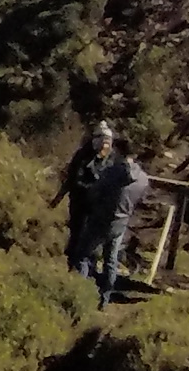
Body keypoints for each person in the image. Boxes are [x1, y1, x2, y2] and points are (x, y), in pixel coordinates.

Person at [79, 139, 155, 309]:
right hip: (121, 223)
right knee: (110, 261)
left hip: (101, 220)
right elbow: (141, 199)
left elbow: (94, 192)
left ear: (119, 151)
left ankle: (78, 295)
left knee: (83, 256)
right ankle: (103, 301)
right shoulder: (142, 178)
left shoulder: (111, 172)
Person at [53, 121, 115, 271]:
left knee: (92, 241)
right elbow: (73, 179)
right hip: (80, 202)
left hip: (98, 206)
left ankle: (87, 269)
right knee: (77, 234)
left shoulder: (110, 158)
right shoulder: (83, 155)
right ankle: (72, 266)